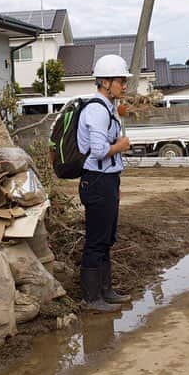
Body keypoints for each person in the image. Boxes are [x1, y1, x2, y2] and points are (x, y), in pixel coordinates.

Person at [76, 54, 133, 312]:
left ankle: (105, 290)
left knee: (107, 238)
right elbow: (99, 150)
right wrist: (120, 146)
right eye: (121, 81)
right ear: (106, 82)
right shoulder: (96, 110)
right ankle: (92, 298)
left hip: (107, 180)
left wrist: (116, 183)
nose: (124, 86)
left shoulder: (108, 108)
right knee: (96, 240)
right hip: (97, 182)